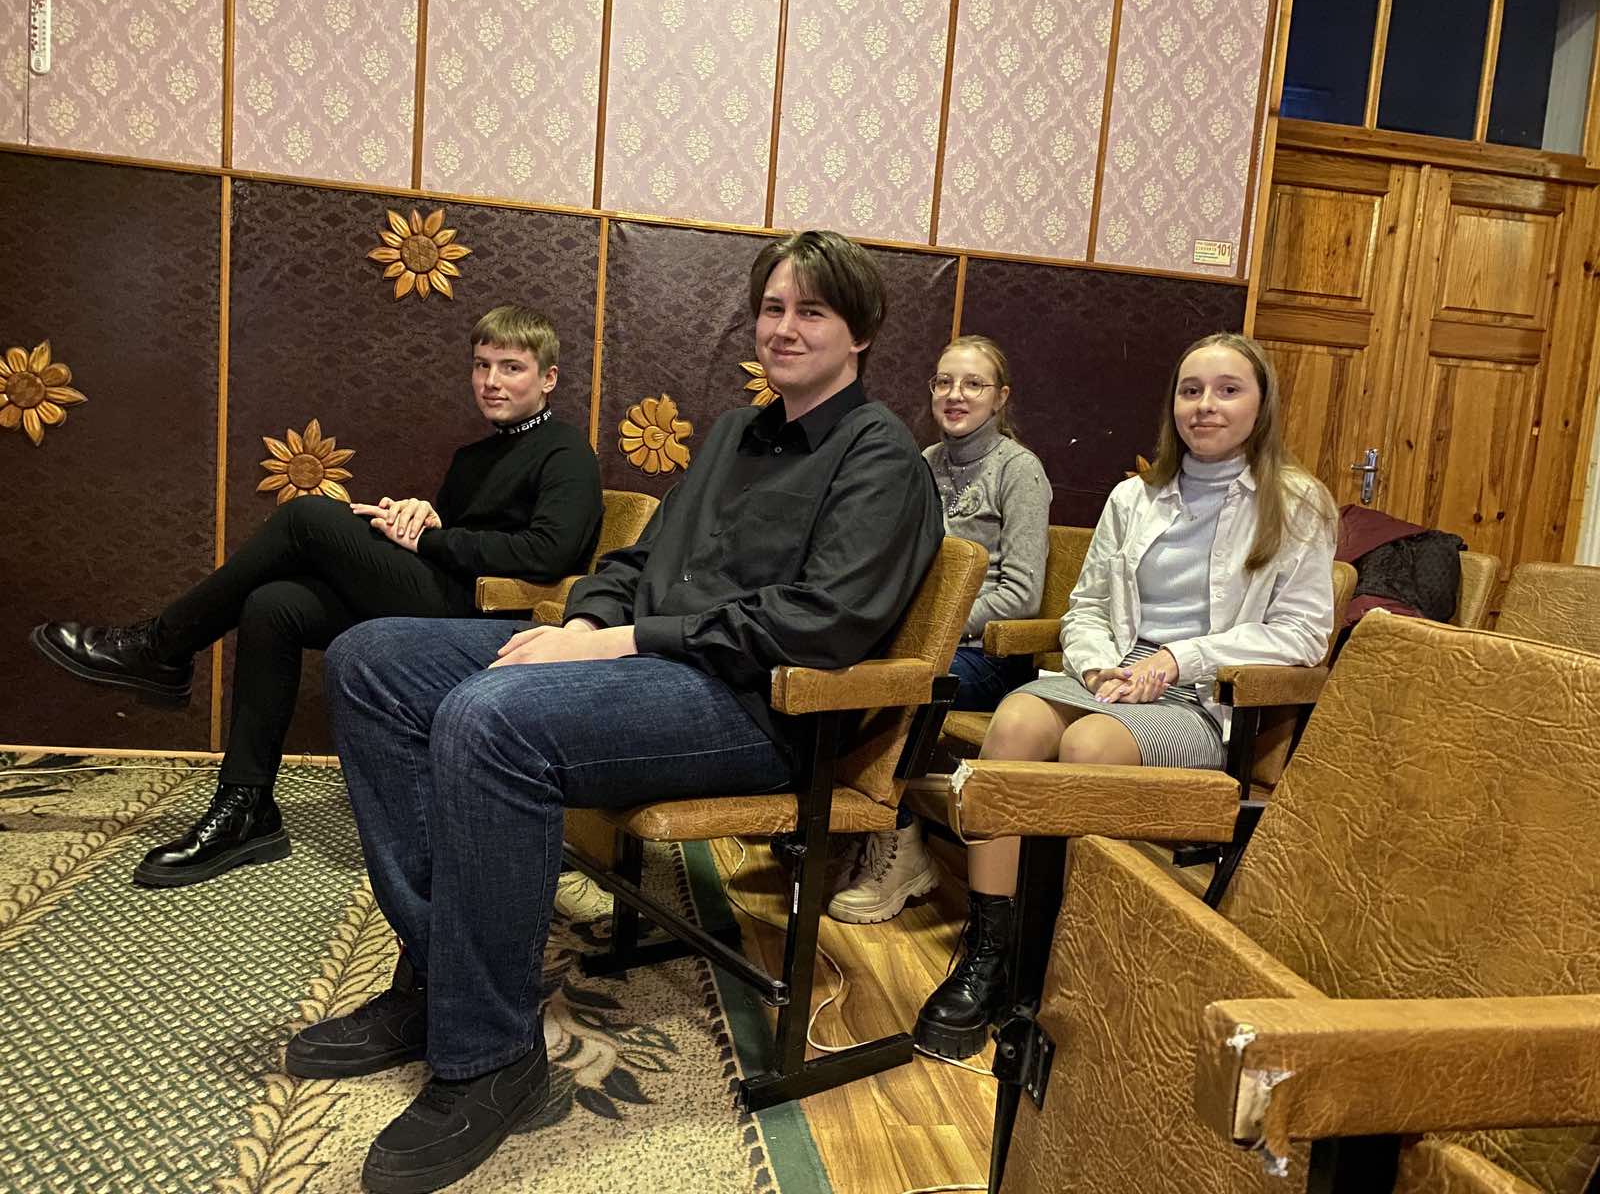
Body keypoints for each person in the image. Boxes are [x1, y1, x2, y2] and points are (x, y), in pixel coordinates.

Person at [284, 230, 942, 1194]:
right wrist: (590, 619)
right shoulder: (734, 434)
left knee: (491, 718)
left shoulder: (881, 456)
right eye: (772, 308)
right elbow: (639, 562)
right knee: (370, 659)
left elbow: (821, 623)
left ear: (862, 332)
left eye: (812, 311)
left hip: (756, 707)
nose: (784, 328)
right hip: (649, 667)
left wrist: (618, 642)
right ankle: (439, 980)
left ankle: (492, 1056)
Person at [31, 306, 602, 888]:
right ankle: (246, 804)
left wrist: (432, 539)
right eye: (481, 365)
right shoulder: (472, 458)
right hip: (441, 591)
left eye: (511, 367)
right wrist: (417, 518)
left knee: (306, 515)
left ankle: (161, 647)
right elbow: (460, 538)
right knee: (273, 605)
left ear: (548, 378)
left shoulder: (566, 451)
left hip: (487, 617)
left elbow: (547, 553)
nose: (491, 381)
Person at [913, 331, 1336, 1060]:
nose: (1205, 406)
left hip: (1204, 699)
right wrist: (1099, 668)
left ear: (1261, 404)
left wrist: (1177, 659)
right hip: (1114, 676)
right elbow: (1085, 608)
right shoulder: (1134, 496)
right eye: (1190, 390)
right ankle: (992, 954)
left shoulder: (1298, 503)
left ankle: (1062, 959)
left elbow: (1302, 635)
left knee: (1087, 744)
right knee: (1014, 724)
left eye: (1228, 390)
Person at [827, 334, 1050, 926]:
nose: (956, 395)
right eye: (944, 382)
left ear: (1001, 397)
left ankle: (900, 849)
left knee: (897, 686)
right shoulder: (924, 462)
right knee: (837, 667)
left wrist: (936, 631)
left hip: (989, 656)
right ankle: (857, 827)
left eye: (974, 384)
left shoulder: (1019, 470)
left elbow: (1021, 597)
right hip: (923, 644)